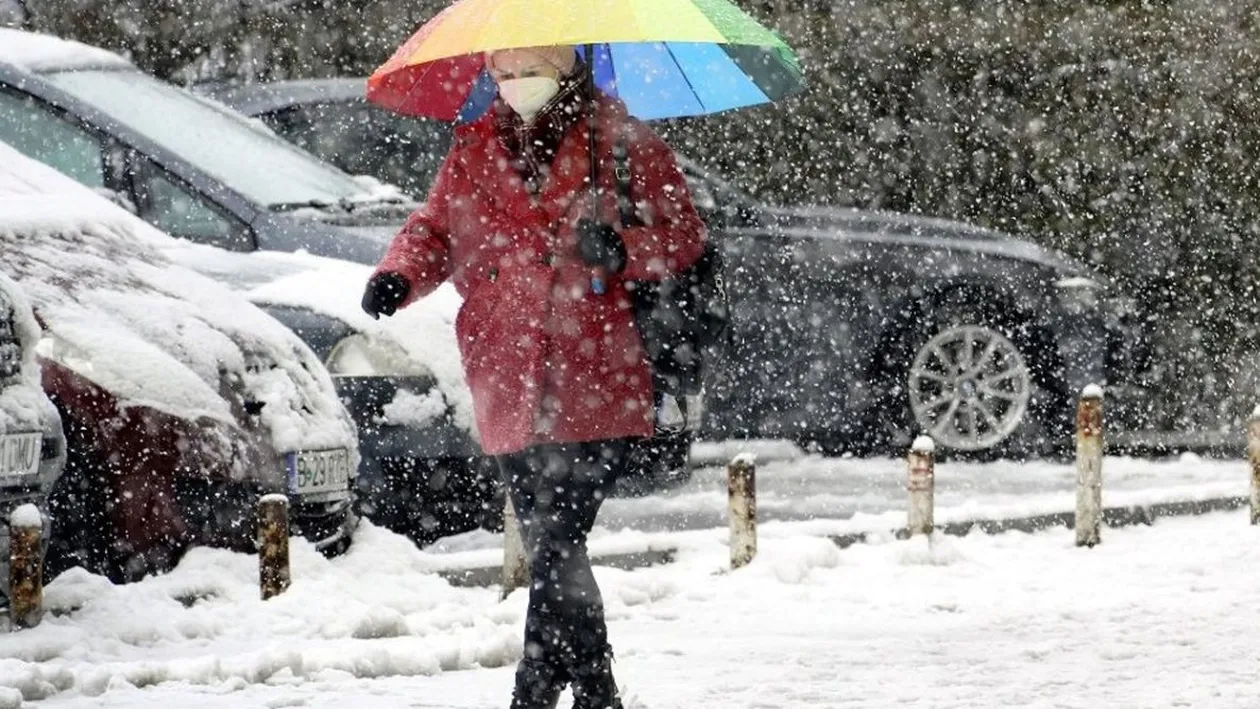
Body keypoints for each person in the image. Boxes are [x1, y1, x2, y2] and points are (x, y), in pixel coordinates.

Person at [361, 45, 706, 709]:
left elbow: (683, 233)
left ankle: (550, 688)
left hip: (597, 365)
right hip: (506, 365)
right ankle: (583, 688)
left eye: (530, 70)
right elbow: (434, 229)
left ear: (567, 67)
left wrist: (624, 248)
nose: (514, 84)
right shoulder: (472, 147)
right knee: (555, 537)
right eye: (502, 72)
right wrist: (398, 275)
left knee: (556, 536)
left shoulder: (623, 142)